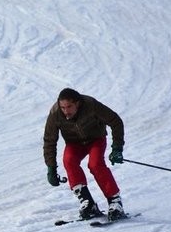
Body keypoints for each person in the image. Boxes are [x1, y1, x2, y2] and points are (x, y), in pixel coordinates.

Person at [43, 88, 126, 221]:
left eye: (69, 107)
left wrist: (117, 148)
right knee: (69, 161)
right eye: (63, 107)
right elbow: (49, 140)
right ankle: (88, 203)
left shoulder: (91, 105)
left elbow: (115, 121)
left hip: (96, 140)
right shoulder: (55, 113)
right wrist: (51, 168)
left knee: (95, 164)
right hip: (74, 143)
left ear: (77, 103)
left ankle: (115, 202)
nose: (65, 111)